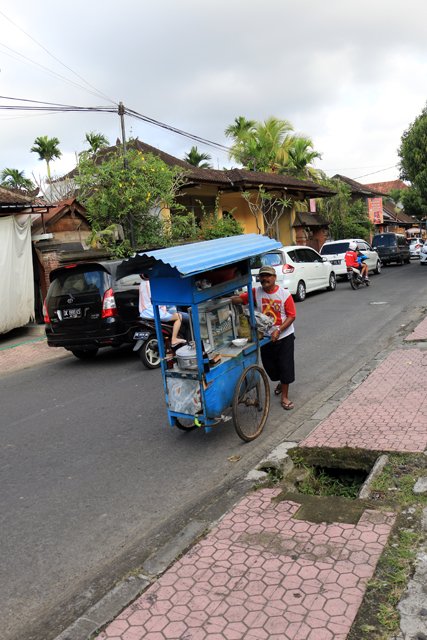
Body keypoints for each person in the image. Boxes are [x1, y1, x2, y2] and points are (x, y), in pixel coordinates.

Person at [232, 265, 296, 410]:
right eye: (262, 276)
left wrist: (278, 330)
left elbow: (292, 316)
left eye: (268, 276)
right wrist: (223, 299)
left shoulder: (284, 294)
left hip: (284, 336)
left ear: (274, 278)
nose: (265, 279)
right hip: (265, 338)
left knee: (285, 366)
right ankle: (281, 382)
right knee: (270, 368)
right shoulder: (256, 292)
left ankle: (285, 397)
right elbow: (240, 299)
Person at [139, 274, 186, 349]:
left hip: (143, 312)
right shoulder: (152, 284)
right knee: (179, 316)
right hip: (152, 312)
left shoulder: (142, 284)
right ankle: (174, 339)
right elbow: (157, 298)